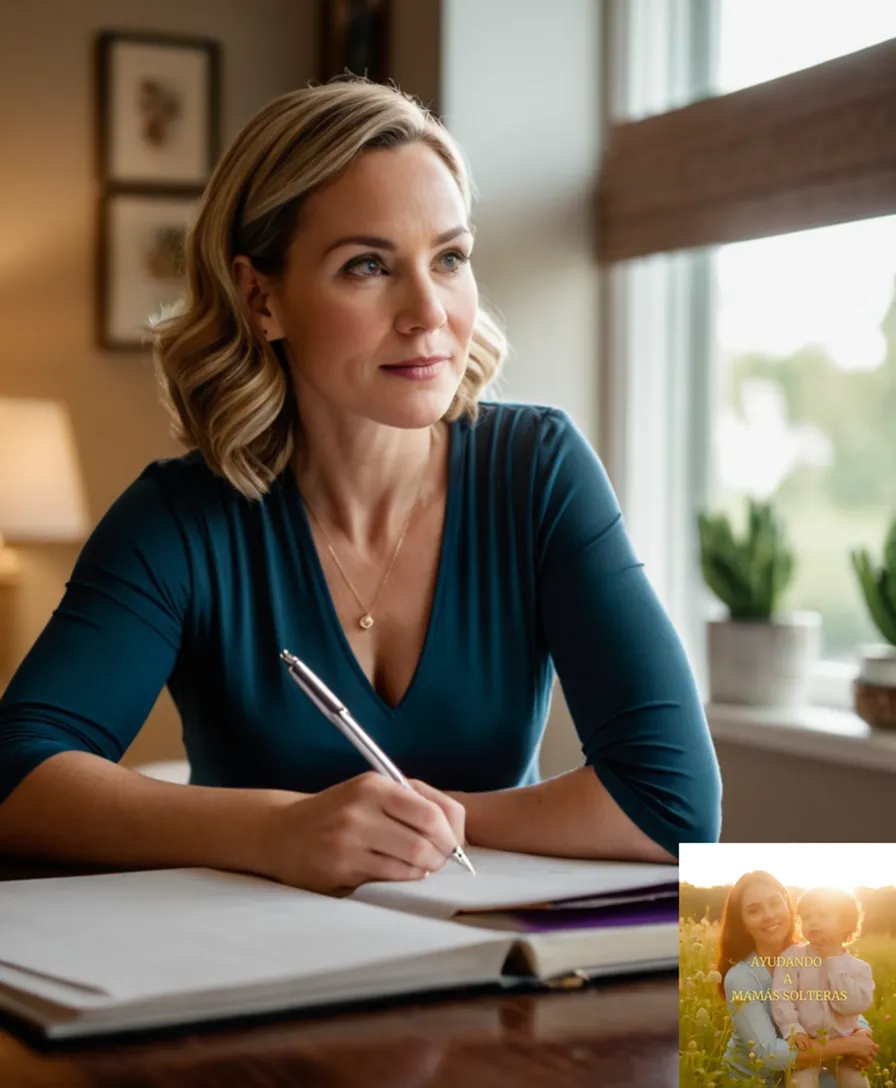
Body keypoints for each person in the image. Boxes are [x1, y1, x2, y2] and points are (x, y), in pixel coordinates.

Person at [0, 77, 721, 896]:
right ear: (261, 298)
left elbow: (673, 805)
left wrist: (425, 823)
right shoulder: (181, 520)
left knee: (795, 974)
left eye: (449, 258)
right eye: (368, 266)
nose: (428, 312)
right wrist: (276, 831)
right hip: (253, 959)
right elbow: (15, 773)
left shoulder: (538, 470)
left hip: (498, 955)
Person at [718, 872, 878, 1085]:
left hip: (811, 1064)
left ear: (788, 905)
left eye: (775, 903)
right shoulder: (741, 978)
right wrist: (849, 1045)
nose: (769, 915)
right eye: (754, 910)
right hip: (757, 1080)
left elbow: (839, 1003)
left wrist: (862, 1032)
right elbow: (768, 1054)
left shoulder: (815, 954)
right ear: (743, 924)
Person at [770, 886, 874, 1088]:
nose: (813, 922)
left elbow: (851, 1006)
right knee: (800, 1084)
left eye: (823, 915)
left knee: (857, 1083)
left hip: (845, 1047)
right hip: (808, 1044)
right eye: (806, 917)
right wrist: (792, 1029)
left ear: (846, 923)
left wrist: (833, 961)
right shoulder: (792, 957)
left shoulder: (859, 969)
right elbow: (782, 997)